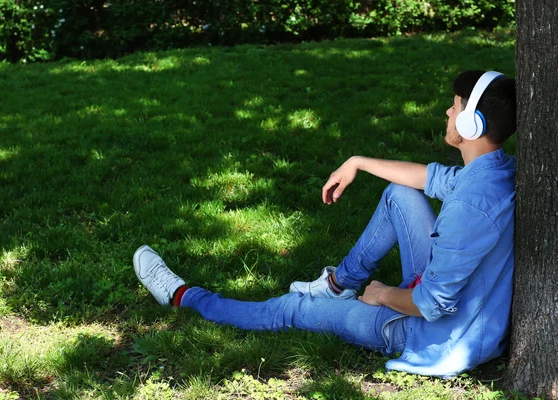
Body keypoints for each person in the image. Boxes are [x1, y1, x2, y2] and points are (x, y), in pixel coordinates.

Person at [133, 70, 517, 377]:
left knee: (291, 310)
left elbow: (432, 304)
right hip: (466, 311)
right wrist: (358, 162)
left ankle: (183, 295)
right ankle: (338, 286)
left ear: (471, 124)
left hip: (437, 336)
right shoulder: (492, 171)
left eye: (454, 109)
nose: (448, 114)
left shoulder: (470, 204)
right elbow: (426, 177)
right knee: (400, 194)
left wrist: (381, 294)